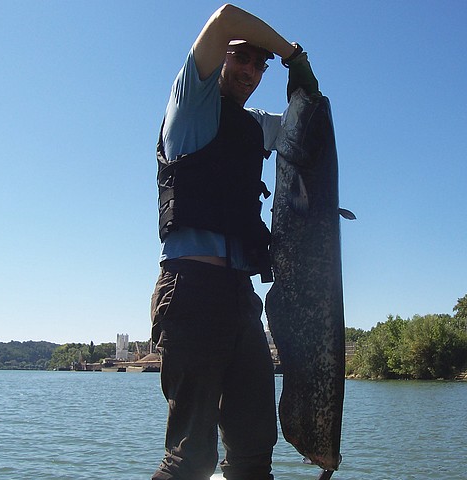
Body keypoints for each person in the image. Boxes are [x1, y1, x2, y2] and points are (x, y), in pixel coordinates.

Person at [150, 4, 320, 480]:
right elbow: (225, 16)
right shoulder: (191, 106)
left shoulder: (256, 126)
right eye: (241, 58)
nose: (249, 71)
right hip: (192, 290)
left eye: (259, 65)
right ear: (221, 58)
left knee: (252, 454)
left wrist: (306, 82)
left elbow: (306, 128)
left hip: (242, 300)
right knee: (191, 458)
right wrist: (292, 53)